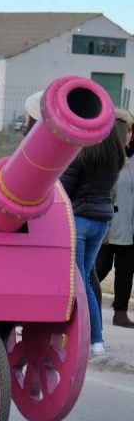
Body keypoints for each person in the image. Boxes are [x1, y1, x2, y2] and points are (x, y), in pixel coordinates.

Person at [61, 116, 125, 356]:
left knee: (79, 281)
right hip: (102, 221)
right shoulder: (115, 158)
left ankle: (92, 338)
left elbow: (64, 189)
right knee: (86, 279)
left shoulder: (81, 156)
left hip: (80, 220)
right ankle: (95, 339)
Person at [96, 109, 134, 329]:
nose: (127, 134)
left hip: (128, 226)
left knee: (126, 269)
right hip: (106, 225)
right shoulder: (104, 156)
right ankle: (75, 303)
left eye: (129, 130)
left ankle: (120, 312)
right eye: (123, 129)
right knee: (99, 268)